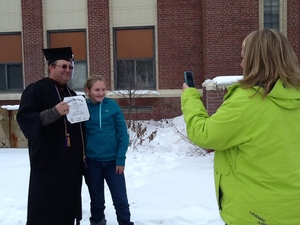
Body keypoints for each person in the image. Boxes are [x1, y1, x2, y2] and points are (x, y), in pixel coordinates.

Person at [181, 29, 300, 224]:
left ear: (255, 61)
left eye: (244, 57)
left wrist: (190, 96)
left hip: (257, 214)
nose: (241, 63)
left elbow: (203, 134)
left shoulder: (248, 101)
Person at [17, 47, 85, 225]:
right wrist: (54, 112)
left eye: (70, 67)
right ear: (51, 67)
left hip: (70, 163)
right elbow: (25, 118)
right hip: (47, 162)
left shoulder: (72, 95)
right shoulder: (36, 90)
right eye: (63, 66)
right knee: (46, 207)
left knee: (67, 206)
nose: (67, 70)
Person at [83, 75, 134, 225]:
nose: (101, 93)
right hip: (92, 164)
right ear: (88, 90)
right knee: (97, 201)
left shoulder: (112, 106)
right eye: (96, 90)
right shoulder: (82, 107)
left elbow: (123, 135)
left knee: (121, 200)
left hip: (113, 163)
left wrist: (120, 159)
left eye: (103, 89)